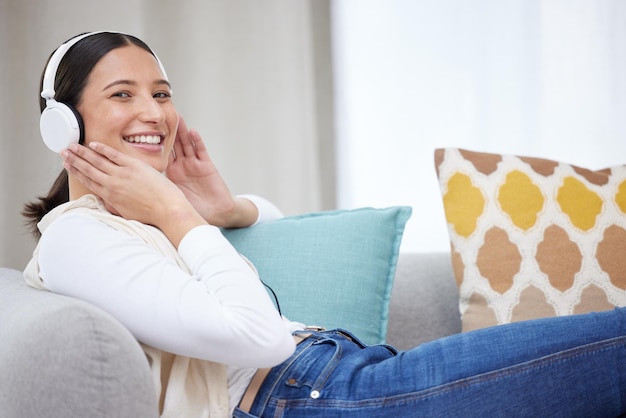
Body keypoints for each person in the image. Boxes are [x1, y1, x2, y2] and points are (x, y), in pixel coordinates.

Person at [22, 32, 626, 418]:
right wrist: (177, 214)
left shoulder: (143, 225)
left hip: (345, 376)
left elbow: (279, 228)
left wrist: (224, 212)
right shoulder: (80, 238)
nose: (155, 113)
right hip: (323, 398)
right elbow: (263, 339)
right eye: (123, 95)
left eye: (161, 92)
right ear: (64, 126)